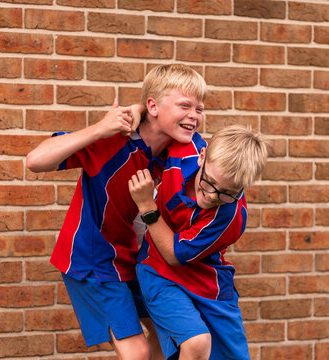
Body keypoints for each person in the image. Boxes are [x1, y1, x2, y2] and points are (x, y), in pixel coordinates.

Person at [26, 64, 206, 360]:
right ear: (154, 106)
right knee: (136, 352)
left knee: (172, 341)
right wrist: (100, 127)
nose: (194, 115)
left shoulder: (184, 149)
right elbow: (35, 160)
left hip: (142, 260)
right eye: (185, 105)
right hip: (96, 259)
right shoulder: (113, 140)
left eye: (199, 108)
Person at [128, 125, 268, 360]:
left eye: (227, 192)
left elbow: (174, 253)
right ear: (202, 156)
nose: (213, 196)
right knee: (195, 343)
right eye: (210, 182)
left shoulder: (229, 215)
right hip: (159, 271)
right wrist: (134, 112)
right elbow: (162, 116)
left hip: (207, 285)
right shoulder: (186, 148)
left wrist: (147, 208)